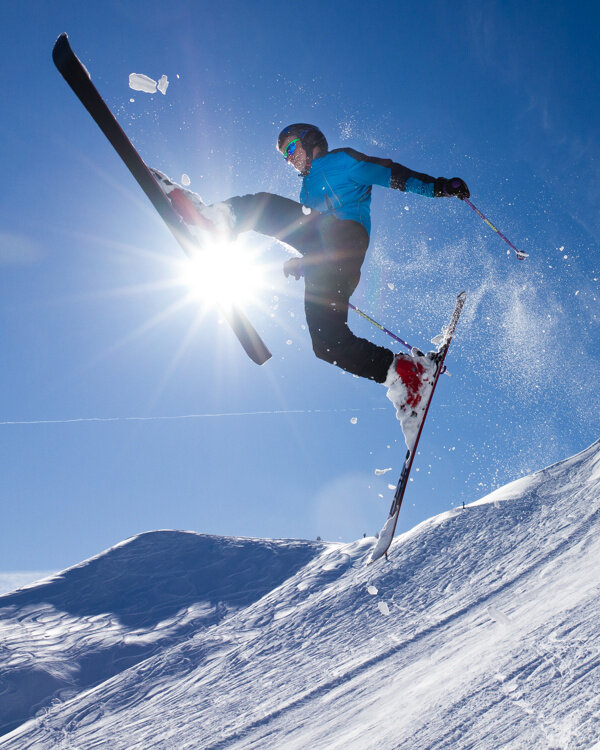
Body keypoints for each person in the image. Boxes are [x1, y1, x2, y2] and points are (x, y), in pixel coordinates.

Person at [160, 124, 469, 415]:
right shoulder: (306, 192)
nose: (289, 158)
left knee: (263, 205)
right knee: (327, 344)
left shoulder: (342, 161)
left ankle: (216, 221)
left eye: (291, 147)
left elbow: (390, 173)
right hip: (334, 264)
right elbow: (308, 235)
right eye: (284, 155)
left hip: (347, 239)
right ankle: (407, 377)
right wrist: (303, 262)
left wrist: (439, 187)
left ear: (311, 141)